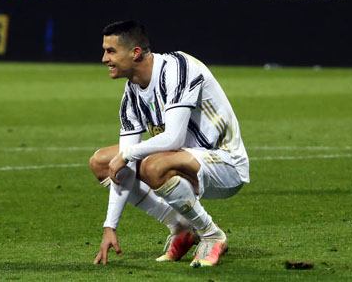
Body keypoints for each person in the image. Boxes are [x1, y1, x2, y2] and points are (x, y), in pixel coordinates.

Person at [89, 20, 249, 268]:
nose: (104, 59)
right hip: (183, 161)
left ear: (136, 52)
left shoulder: (177, 69)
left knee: (153, 165)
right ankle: (180, 226)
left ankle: (211, 234)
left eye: (110, 51)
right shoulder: (132, 92)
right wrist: (110, 226)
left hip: (224, 163)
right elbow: (124, 168)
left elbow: (172, 138)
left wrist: (128, 154)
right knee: (102, 162)